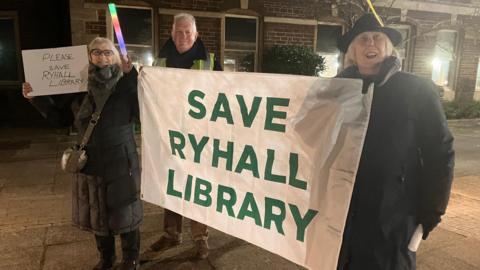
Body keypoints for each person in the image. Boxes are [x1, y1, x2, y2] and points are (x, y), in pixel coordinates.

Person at [335, 14, 455, 270]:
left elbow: (440, 151)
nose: (371, 44)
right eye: (362, 40)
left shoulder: (417, 90)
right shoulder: (335, 92)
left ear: (389, 47)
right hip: (343, 219)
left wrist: (429, 217)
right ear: (352, 52)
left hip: (393, 221)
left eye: (378, 38)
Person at [22, 37, 142, 270]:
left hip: (121, 157)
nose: (102, 57)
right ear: (88, 56)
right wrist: (35, 99)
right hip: (91, 159)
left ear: (116, 56)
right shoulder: (79, 86)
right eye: (96, 52)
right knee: (98, 209)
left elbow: (141, 111)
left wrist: (132, 76)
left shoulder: (126, 83)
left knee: (125, 208)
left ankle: (131, 258)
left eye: (107, 52)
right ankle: (106, 258)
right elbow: (62, 119)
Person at [147, 12, 222, 260]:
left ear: (196, 34)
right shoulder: (158, 63)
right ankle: (171, 234)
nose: (182, 36)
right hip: (169, 137)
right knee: (170, 185)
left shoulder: (210, 61)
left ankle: (200, 237)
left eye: (187, 32)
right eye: (178, 32)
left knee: (197, 188)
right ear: (171, 33)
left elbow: (227, 94)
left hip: (198, 139)